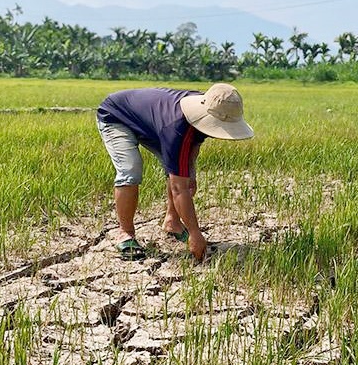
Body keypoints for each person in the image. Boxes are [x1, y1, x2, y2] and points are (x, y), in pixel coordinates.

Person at [96, 83, 254, 260]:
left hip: (151, 122)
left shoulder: (215, 104)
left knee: (182, 173)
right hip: (116, 115)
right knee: (130, 169)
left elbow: (193, 143)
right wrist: (195, 233)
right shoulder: (177, 127)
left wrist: (190, 172)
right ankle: (125, 233)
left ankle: (172, 222)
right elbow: (179, 189)